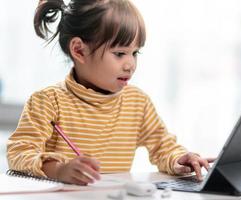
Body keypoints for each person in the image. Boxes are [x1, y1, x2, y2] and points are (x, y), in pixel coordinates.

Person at [7, 0, 214, 185]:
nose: (130, 64)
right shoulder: (47, 101)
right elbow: (19, 153)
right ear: (79, 50)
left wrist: (180, 159)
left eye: (135, 53)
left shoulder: (137, 102)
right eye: (120, 54)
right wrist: (59, 170)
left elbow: (164, 147)